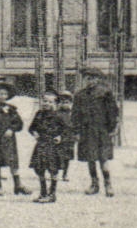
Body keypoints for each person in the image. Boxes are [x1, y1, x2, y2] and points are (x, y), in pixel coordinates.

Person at [72, 68, 120, 197]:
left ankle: (108, 184)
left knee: (103, 158)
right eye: (87, 78)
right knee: (90, 159)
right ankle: (94, 184)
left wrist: (112, 128)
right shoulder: (79, 95)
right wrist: (76, 131)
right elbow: (75, 114)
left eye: (93, 78)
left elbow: (113, 111)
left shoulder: (105, 93)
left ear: (98, 79)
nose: (90, 81)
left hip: (101, 131)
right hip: (86, 131)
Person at [27, 91, 70, 203]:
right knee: (39, 169)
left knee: (53, 169)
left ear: (55, 104)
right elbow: (31, 127)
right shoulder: (39, 114)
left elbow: (67, 130)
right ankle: (43, 193)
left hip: (53, 146)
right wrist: (34, 133)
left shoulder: (58, 116)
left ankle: (52, 194)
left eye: (50, 102)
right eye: (45, 101)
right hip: (41, 144)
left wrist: (60, 137)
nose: (46, 103)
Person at [56, 90, 76, 183]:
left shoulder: (73, 114)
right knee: (57, 155)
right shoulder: (57, 113)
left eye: (67, 102)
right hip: (59, 137)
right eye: (63, 102)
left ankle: (65, 173)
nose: (65, 104)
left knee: (67, 157)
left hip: (69, 138)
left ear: (71, 103)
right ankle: (55, 172)